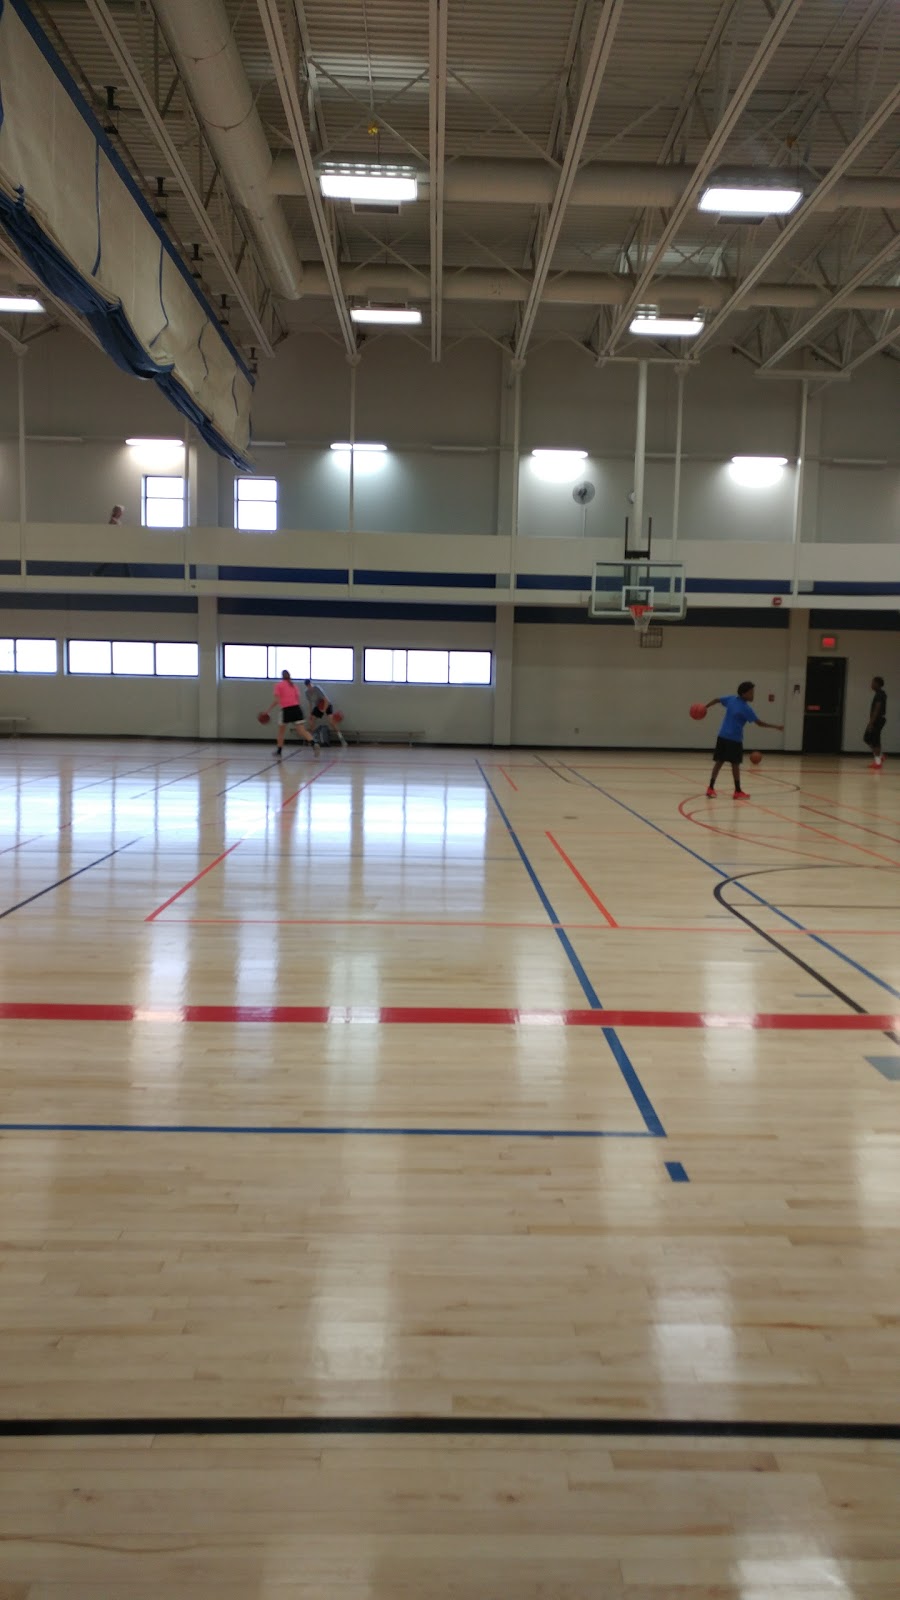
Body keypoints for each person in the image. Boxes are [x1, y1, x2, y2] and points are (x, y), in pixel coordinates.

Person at [703, 681, 783, 800]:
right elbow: (759, 723)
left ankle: (711, 788)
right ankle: (737, 791)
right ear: (744, 694)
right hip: (734, 739)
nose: (753, 695)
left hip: (722, 736)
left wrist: (704, 707)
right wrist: (775, 727)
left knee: (719, 762)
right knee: (735, 765)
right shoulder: (746, 709)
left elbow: (716, 700)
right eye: (751, 692)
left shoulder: (731, 699)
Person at [265, 669, 317, 760]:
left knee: (281, 732)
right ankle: (314, 743)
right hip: (297, 709)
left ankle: (279, 751)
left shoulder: (278, 685)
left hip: (286, 710)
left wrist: (268, 710)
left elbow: (277, 700)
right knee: (302, 731)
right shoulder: (294, 686)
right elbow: (297, 699)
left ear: (282, 676)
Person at [303, 679, 346, 746]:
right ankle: (311, 740)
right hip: (318, 706)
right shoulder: (307, 693)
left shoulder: (317, 689)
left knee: (331, 722)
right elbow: (310, 703)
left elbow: (325, 700)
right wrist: (311, 713)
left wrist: (324, 710)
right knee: (312, 721)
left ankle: (341, 738)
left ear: (311, 684)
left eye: (310, 685)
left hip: (327, 704)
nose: (309, 687)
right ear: (306, 686)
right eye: (308, 686)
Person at [865, 676, 887, 769]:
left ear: (877, 684)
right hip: (877, 720)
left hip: (877, 720)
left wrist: (871, 722)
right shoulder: (880, 693)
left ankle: (878, 762)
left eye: (873, 683)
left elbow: (877, 709)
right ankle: (880, 757)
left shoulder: (880, 695)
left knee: (874, 740)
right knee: (868, 738)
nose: (871, 684)